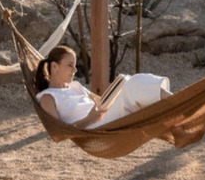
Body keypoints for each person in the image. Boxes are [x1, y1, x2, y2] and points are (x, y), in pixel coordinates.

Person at [35, 46, 172, 129]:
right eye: (70, 65)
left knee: (130, 82)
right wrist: (89, 119)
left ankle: (177, 106)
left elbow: (100, 100)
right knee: (134, 83)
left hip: (106, 116)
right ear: (54, 66)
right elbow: (60, 133)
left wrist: (112, 96)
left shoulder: (76, 86)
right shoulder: (48, 97)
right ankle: (177, 103)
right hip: (94, 127)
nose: (75, 70)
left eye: (75, 65)